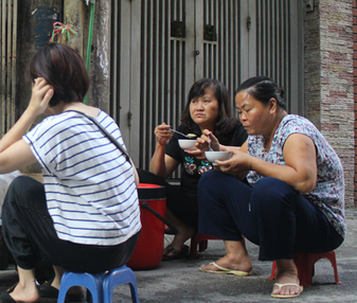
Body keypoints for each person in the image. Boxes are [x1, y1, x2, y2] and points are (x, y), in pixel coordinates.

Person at [0, 42, 141, 303]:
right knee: (53, 192)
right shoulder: (102, 118)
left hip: (91, 251)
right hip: (125, 246)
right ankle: (66, 284)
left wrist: (31, 111)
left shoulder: (57, 126)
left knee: (19, 190)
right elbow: (134, 178)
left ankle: (27, 286)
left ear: (43, 87)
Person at [197, 76, 345, 299]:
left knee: (268, 187)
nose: (243, 118)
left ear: (272, 105)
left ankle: (287, 270)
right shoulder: (258, 135)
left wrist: (251, 162)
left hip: (320, 225)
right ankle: (236, 256)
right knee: (212, 180)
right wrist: (213, 150)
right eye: (239, 112)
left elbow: (304, 181)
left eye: (248, 110)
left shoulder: (295, 131)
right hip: (277, 221)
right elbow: (239, 160)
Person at [137, 78, 247, 260]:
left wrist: (215, 150)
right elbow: (159, 174)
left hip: (222, 207)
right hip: (190, 207)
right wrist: (161, 144)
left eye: (206, 101)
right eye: (194, 101)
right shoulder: (185, 131)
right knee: (141, 177)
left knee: (210, 178)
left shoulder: (236, 131)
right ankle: (182, 228)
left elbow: (248, 159)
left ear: (220, 106)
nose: (199, 107)